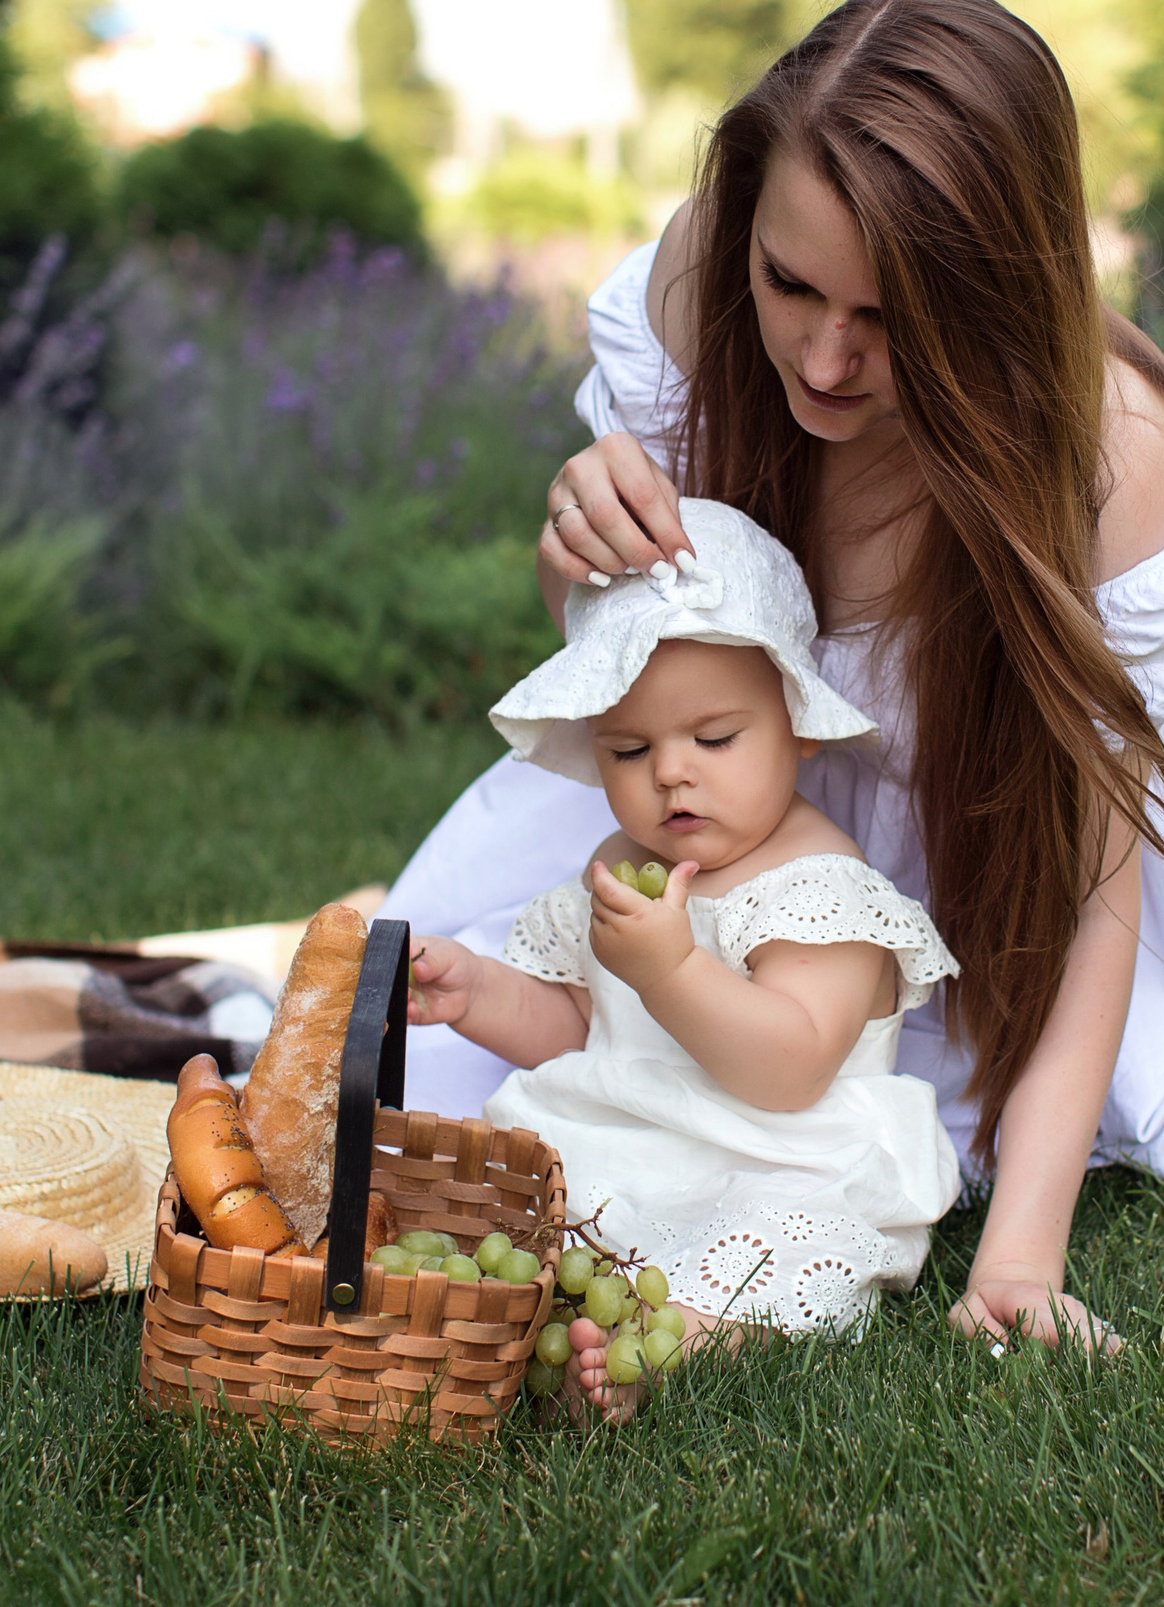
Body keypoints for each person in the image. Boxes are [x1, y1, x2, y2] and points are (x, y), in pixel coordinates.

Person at [389, 0, 1164, 1355]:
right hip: (709, 822)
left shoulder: (1105, 460)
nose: (828, 360)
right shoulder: (698, 293)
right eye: (792, 285)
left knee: (815, 1138)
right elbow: (617, 652)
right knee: (414, 1084)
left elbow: (1094, 888)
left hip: (990, 883)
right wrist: (579, 539)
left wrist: (1020, 1256)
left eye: (893, 318)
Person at [406, 498, 964, 1414]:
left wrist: (672, 970)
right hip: (640, 1143)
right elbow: (588, 1032)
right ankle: (524, 1325)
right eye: (630, 749)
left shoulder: (820, 883)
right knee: (527, 1201)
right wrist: (481, 994)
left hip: (782, 1160)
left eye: (713, 739)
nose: (672, 771)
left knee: (777, 1247)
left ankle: (676, 1348)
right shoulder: (627, 871)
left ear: (798, 724)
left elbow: (788, 1067)